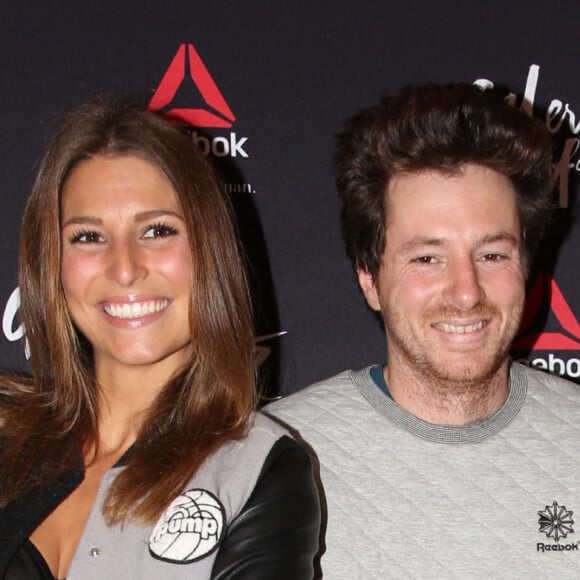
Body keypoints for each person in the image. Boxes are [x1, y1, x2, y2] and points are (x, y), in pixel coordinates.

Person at [267, 83, 580, 578]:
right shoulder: (273, 455)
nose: (465, 292)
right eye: (427, 258)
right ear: (369, 278)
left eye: (492, 255)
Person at [0, 100, 320, 579]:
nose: (124, 267)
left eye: (157, 230)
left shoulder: (255, 472)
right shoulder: (8, 439)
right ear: (52, 264)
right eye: (88, 237)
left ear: (208, 251)